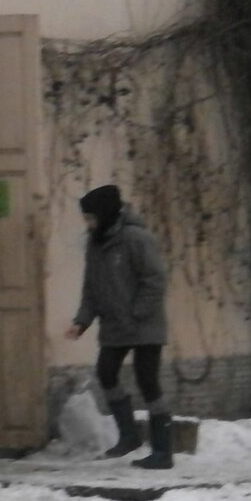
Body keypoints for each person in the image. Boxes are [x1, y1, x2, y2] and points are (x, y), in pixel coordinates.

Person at [64, 183, 172, 469]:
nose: (88, 224)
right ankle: (129, 436)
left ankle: (163, 451)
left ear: (106, 214)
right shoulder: (95, 244)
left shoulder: (136, 239)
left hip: (144, 325)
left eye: (91, 217)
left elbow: (155, 280)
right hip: (114, 327)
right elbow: (91, 288)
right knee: (106, 372)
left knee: (147, 381)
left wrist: (137, 312)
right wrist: (81, 322)